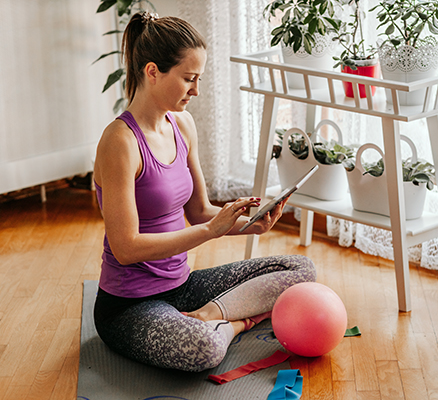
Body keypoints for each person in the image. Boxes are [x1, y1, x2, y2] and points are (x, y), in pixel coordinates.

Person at [92, 11, 316, 372]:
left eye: (198, 79)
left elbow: (200, 212)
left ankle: (210, 313)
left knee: (300, 269)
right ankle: (234, 322)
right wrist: (211, 233)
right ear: (152, 72)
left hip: (182, 286)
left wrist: (248, 223)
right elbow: (126, 247)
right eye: (188, 79)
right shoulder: (120, 142)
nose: (196, 90)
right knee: (205, 350)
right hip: (129, 305)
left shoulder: (182, 124)